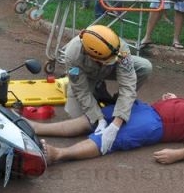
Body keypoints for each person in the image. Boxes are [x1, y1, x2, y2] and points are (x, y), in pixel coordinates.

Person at [31, 93, 184, 164]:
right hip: (147, 110)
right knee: (94, 118)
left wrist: (177, 155)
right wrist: (175, 98)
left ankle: (58, 154)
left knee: (108, 138)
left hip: (155, 124)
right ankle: (39, 128)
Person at [63, 24, 153, 154]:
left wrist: (116, 123)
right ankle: (96, 88)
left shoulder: (121, 49)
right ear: (92, 56)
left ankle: (115, 101)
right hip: (86, 77)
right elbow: (81, 91)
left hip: (110, 70)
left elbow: (128, 85)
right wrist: (98, 118)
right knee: (77, 118)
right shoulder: (72, 55)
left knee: (145, 67)